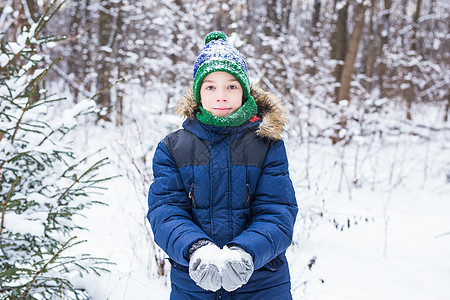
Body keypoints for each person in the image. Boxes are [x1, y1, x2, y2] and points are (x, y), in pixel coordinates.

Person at [147, 31, 298, 299]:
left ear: (243, 91)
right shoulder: (172, 148)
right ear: (198, 93)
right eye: (210, 86)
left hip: (262, 284)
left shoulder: (268, 145)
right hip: (194, 285)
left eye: (231, 86)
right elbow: (166, 211)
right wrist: (196, 248)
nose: (221, 96)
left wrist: (245, 252)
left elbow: (277, 212)